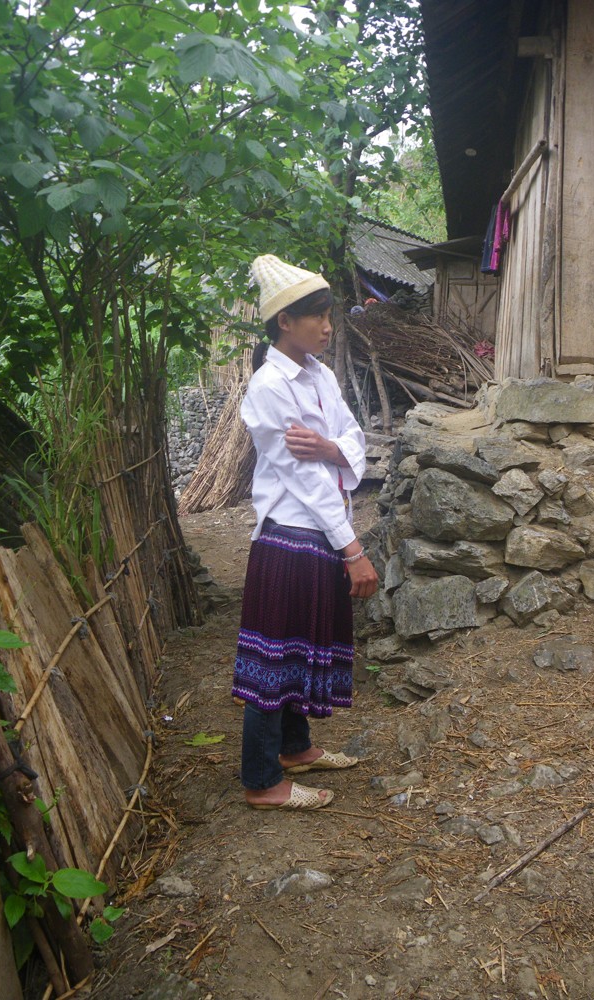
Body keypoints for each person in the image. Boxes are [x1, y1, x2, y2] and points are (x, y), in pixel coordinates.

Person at [232, 254, 379, 811]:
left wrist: (331, 447)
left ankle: (294, 749)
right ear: (284, 322)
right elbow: (304, 478)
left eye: (328, 315)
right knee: (272, 659)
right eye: (316, 316)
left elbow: (353, 437)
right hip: (288, 538)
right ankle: (261, 780)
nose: (326, 326)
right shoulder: (269, 387)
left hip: (317, 535)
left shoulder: (320, 375)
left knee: (297, 647)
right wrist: (353, 549)